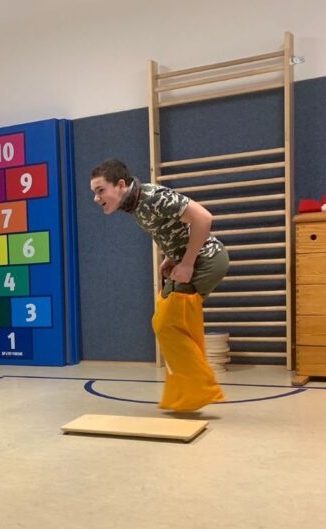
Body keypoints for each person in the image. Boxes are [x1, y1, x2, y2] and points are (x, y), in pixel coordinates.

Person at [89, 159, 229, 412]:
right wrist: (172, 257)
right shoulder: (136, 204)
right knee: (167, 322)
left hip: (206, 261)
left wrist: (187, 263)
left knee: (165, 324)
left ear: (120, 185)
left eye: (100, 190)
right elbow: (173, 228)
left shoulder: (152, 197)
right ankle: (187, 394)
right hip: (191, 260)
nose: (96, 198)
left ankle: (201, 389)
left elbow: (203, 218)